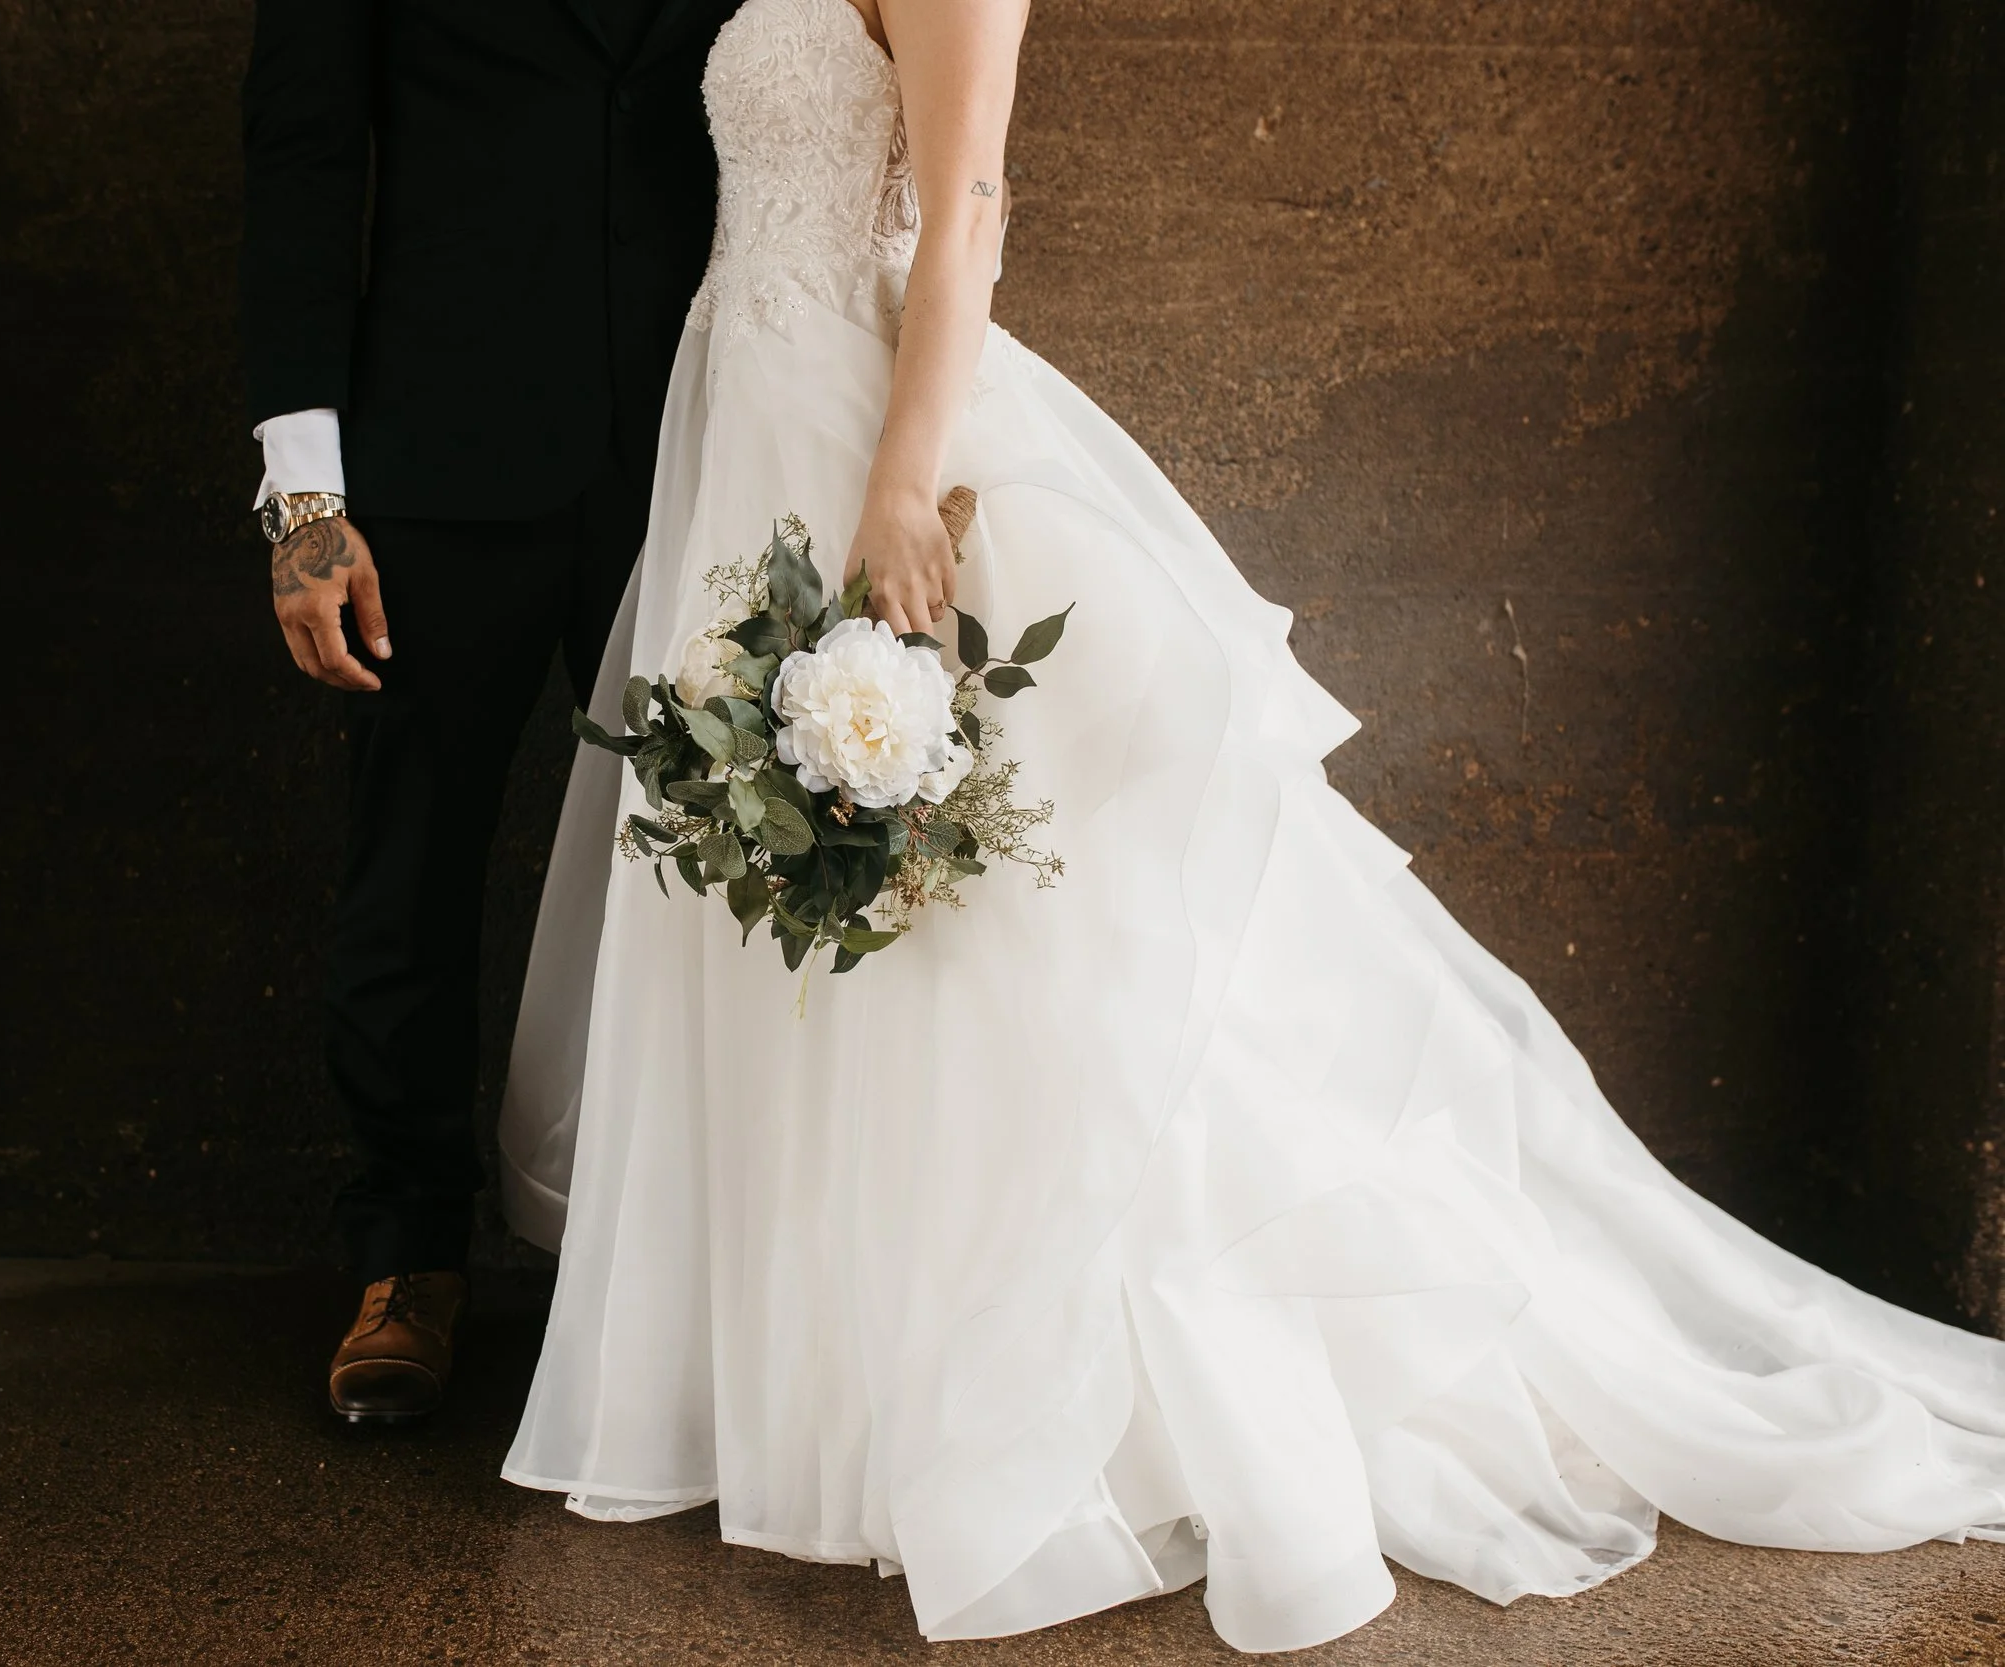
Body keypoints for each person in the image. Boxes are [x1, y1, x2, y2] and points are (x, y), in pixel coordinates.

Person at [495, 0, 2005, 1649]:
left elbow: (969, 205)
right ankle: (795, 1384)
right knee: (807, 928)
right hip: (741, 412)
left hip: (860, 431)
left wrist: (903, 482)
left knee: (969, 939)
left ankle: (971, 1405)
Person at [238, 0, 746, 1424]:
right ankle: (405, 1258)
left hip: (702, 449)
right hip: (435, 465)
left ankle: (684, 1271)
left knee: (716, 876)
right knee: (409, 873)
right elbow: (303, 162)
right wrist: (306, 506)